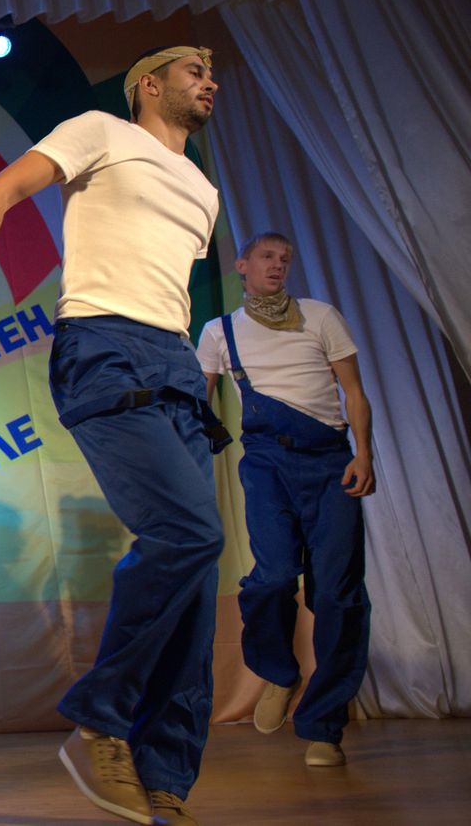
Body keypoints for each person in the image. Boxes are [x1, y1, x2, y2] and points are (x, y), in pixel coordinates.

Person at [0, 47, 230, 826]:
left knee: (197, 576)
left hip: (175, 363)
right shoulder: (102, 130)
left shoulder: (204, 188)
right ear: (149, 84)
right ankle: (100, 717)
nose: (209, 80)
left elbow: (168, 287)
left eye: (213, 73)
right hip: (103, 345)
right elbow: (2, 188)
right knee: (190, 533)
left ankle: (165, 775)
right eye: (193, 70)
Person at [196, 232, 374, 768]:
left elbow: (354, 392)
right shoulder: (220, 331)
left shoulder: (320, 316)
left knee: (338, 595)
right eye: (268, 257)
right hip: (267, 463)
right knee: (272, 578)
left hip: (329, 462)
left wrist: (364, 454)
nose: (278, 265)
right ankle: (278, 671)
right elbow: (200, 405)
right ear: (243, 265)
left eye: (285, 259)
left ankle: (324, 728)